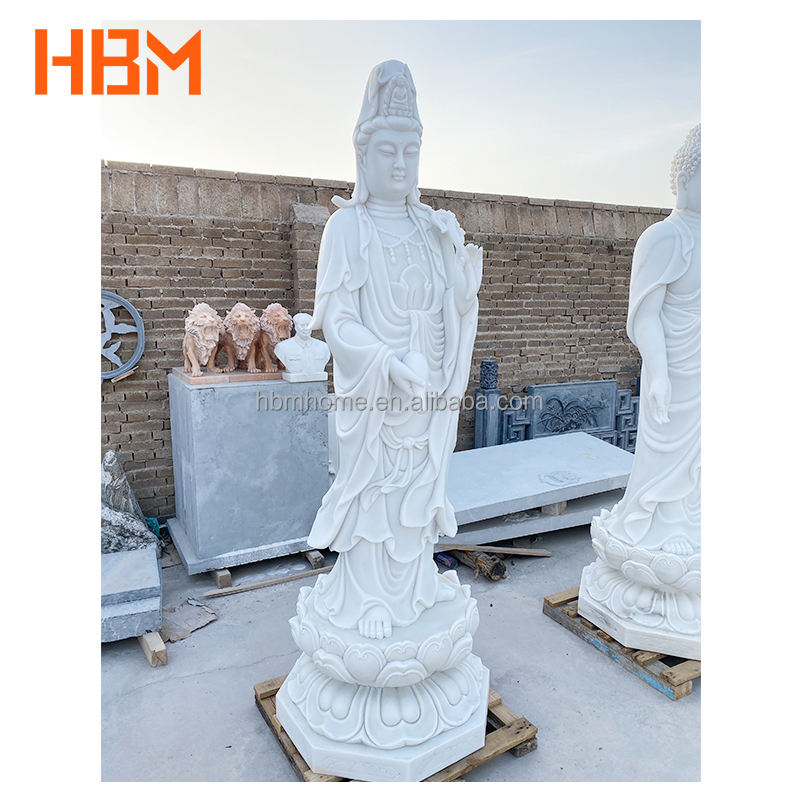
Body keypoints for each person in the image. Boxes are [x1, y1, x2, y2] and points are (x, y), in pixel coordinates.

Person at [305, 60, 482, 639]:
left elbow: (455, 307)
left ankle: (414, 585)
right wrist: (386, 360)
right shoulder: (347, 229)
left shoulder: (432, 227)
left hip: (426, 389)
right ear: (363, 155)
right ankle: (369, 596)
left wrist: (461, 271)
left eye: (411, 150)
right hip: (376, 393)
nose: (400, 163)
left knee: (419, 488)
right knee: (375, 493)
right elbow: (337, 320)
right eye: (387, 150)